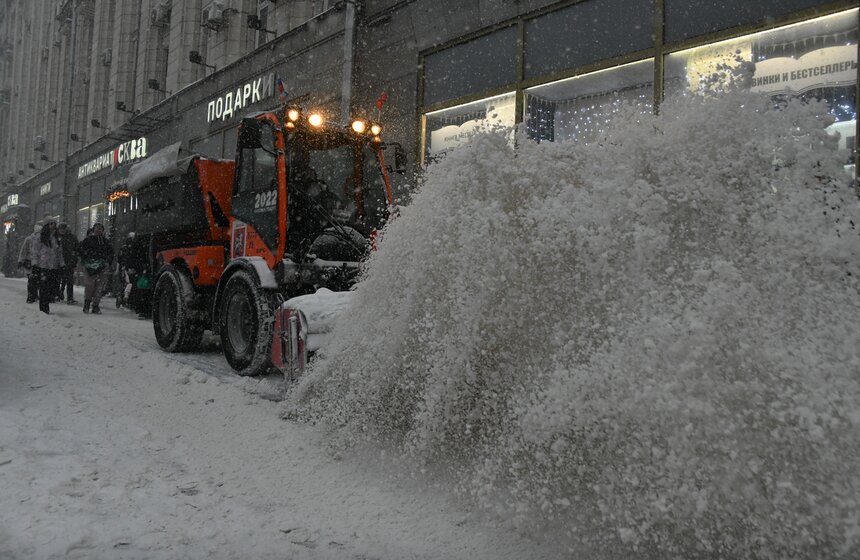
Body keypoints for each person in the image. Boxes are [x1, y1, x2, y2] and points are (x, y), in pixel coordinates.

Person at [29, 219, 64, 314]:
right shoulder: (40, 237)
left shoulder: (56, 238)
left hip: (54, 267)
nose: (53, 226)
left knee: (51, 286)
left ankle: (46, 303)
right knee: (44, 287)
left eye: (54, 224)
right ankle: (44, 307)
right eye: (51, 224)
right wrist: (35, 263)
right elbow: (35, 251)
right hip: (43, 265)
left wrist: (61, 264)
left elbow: (59, 253)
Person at [78, 222, 114, 314]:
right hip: (90, 266)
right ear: (93, 230)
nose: (98, 230)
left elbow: (111, 253)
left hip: (101, 267)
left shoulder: (105, 242)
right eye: (97, 228)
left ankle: (95, 305)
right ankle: (87, 303)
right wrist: (87, 259)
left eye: (100, 229)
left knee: (99, 287)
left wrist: (107, 261)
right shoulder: (88, 240)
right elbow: (81, 250)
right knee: (90, 285)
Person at [18, 222, 42, 303]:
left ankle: (33, 294)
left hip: (36, 263)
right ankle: (31, 295)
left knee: (35, 280)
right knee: (32, 279)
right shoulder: (29, 239)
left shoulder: (39, 240)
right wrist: (21, 260)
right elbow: (23, 251)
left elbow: (23, 251)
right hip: (30, 263)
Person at [56, 223, 80, 304]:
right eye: (60, 228)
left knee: (68, 280)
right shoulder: (56, 237)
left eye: (63, 228)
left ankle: (67, 296)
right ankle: (60, 294)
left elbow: (76, 249)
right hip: (60, 262)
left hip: (68, 262)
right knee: (60, 279)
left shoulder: (70, 238)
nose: (62, 230)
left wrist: (74, 260)